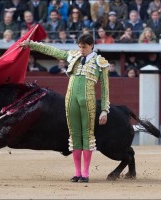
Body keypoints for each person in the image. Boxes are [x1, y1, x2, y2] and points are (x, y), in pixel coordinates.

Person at [19, 33, 110, 183]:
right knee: (74, 134)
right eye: (80, 46)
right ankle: (77, 172)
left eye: (84, 47)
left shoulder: (100, 62)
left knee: (87, 135)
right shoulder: (73, 55)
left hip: (88, 101)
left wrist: (105, 110)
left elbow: (105, 89)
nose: (81, 50)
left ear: (92, 46)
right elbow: (53, 51)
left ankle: (85, 173)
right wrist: (31, 44)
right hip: (70, 100)